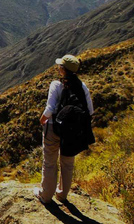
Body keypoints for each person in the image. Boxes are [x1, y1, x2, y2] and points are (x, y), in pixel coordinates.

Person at [34, 54, 94, 204]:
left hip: (53, 127)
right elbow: (90, 111)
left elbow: (50, 109)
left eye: (60, 66)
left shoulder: (56, 85)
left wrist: (42, 121)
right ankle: (62, 195)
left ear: (63, 69)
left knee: (49, 162)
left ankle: (46, 195)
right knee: (67, 163)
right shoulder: (82, 87)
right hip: (71, 131)